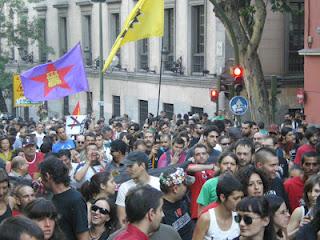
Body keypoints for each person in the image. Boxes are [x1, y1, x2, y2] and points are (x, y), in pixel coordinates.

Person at [39, 156, 89, 240]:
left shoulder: (75, 200)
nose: (40, 180)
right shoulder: (50, 197)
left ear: (47, 176)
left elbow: (83, 236)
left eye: (41, 176)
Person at [116, 151, 160, 227]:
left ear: (142, 165)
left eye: (131, 166)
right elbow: (122, 219)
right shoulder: (124, 187)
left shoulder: (158, 183)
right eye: (127, 166)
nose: (127, 170)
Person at [192, 174, 243, 240]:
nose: (240, 202)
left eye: (241, 197)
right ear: (222, 197)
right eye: (236, 198)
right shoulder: (206, 219)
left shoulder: (240, 215)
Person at [159, 167, 195, 240]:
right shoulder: (160, 212)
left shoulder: (183, 198)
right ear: (175, 189)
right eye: (184, 184)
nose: (187, 187)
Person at [287, 174, 320, 238]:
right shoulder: (300, 211)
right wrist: (300, 229)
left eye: (317, 191)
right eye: (309, 191)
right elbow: (286, 237)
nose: (313, 195)